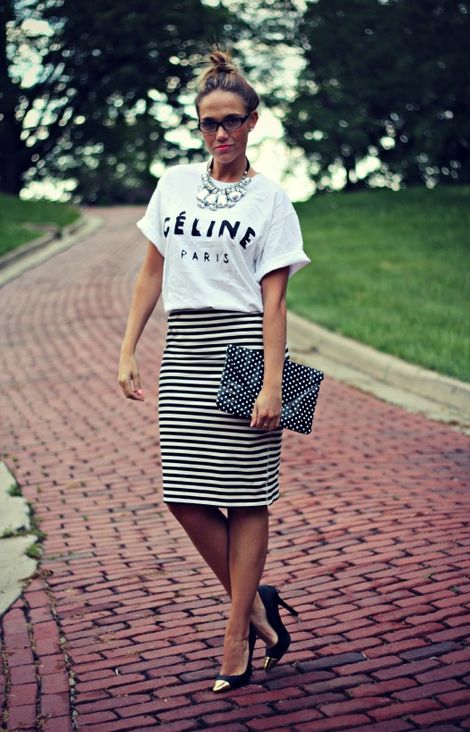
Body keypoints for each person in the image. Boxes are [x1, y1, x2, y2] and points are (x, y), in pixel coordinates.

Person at [118, 45, 310, 692]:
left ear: (253, 121)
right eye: (209, 123)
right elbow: (152, 272)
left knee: (247, 493)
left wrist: (272, 381)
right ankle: (258, 608)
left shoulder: (273, 201)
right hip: (185, 350)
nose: (221, 134)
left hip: (243, 349)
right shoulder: (173, 184)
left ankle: (236, 636)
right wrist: (128, 348)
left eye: (232, 121)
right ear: (198, 126)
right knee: (184, 495)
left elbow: (275, 300)